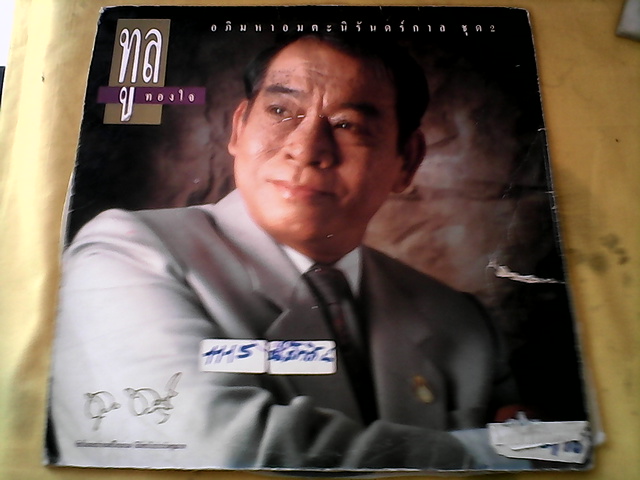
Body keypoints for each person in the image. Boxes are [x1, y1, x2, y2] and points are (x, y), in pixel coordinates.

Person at [49, 33, 522, 471]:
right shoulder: (125, 255)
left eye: (348, 124)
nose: (305, 148)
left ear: (407, 160)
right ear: (238, 128)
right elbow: (228, 454)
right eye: (280, 110)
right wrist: (486, 455)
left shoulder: (461, 322)